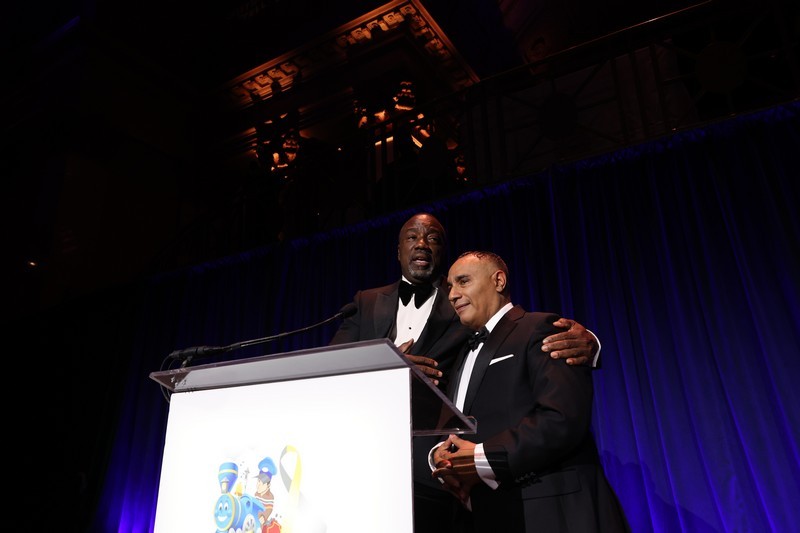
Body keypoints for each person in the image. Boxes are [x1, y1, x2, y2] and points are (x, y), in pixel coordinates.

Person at [329, 213, 602, 533]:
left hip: (437, 479)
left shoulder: (466, 307)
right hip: (363, 458)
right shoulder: (364, 302)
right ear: (398, 250)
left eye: (433, 238)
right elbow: (334, 369)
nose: (422, 244)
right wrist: (387, 368)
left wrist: (592, 343)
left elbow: (516, 331)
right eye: (412, 237)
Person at [430, 250, 630, 532]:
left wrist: (480, 457)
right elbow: (452, 425)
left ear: (499, 281)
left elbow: (562, 419)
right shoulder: (462, 352)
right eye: (450, 286)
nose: (452, 295)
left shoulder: (542, 328)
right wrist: (439, 455)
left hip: (551, 510)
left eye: (463, 281)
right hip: (490, 513)